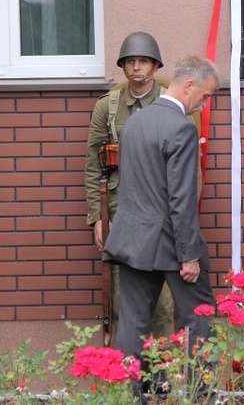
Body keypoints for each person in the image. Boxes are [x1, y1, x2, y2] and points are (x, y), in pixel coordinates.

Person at [102, 56, 220, 402]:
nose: (205, 102)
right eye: (206, 95)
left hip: (132, 239)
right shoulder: (182, 129)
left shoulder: (137, 122)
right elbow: (181, 200)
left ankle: (129, 396)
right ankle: (203, 396)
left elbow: (133, 185)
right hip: (170, 243)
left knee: (133, 323)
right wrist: (189, 255)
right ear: (188, 86)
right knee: (200, 317)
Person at [84, 31, 178, 339]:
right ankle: (125, 372)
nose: (137, 67)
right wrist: (98, 216)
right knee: (121, 295)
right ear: (123, 67)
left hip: (160, 209)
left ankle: (164, 376)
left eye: (143, 61)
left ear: (155, 66)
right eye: (131, 62)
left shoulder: (171, 104)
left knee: (162, 299)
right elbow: (93, 164)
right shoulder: (107, 107)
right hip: (118, 208)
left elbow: (186, 169)